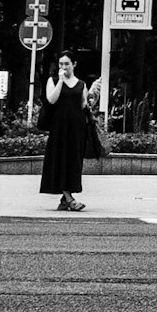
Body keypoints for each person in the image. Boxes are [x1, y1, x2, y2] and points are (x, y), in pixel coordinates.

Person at [38, 54, 101, 212]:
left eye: (67, 64)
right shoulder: (52, 81)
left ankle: (65, 199)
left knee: (73, 162)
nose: (63, 67)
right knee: (60, 160)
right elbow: (51, 100)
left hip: (77, 128)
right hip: (59, 128)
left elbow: (83, 105)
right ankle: (70, 199)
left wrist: (91, 102)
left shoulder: (81, 84)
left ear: (74, 64)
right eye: (61, 64)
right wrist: (60, 81)